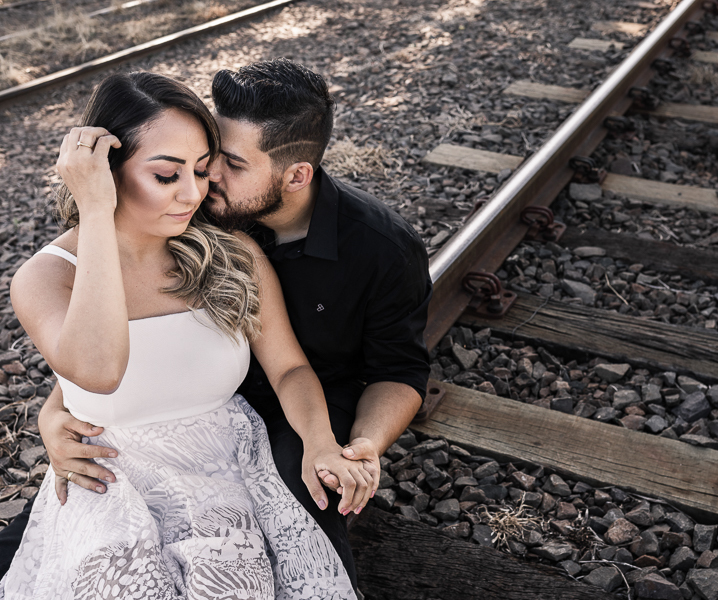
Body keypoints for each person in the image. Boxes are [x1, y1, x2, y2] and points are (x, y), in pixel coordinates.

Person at [2, 59, 433, 591]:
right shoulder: (52, 274)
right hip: (117, 472)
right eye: (170, 174)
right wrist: (57, 407)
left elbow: (326, 367)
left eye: (209, 167)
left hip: (237, 454)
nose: (198, 191)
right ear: (108, 175)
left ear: (295, 176)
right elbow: (97, 369)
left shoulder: (239, 250)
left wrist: (332, 443)